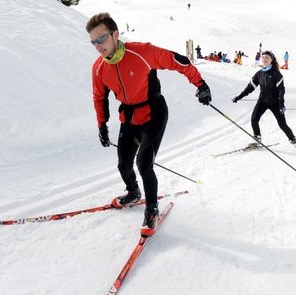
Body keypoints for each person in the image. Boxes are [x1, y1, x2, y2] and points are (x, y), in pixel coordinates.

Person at [86, 12, 211, 237]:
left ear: (115, 35)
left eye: (101, 39)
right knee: (124, 164)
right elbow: (99, 97)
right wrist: (102, 125)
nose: (97, 46)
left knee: (144, 162)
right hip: (129, 117)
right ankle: (133, 192)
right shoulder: (98, 68)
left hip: (154, 113)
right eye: (93, 41)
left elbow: (178, 61)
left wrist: (201, 85)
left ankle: (151, 209)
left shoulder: (141, 52)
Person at [231, 51, 296, 149]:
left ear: (271, 60)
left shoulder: (276, 73)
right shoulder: (259, 74)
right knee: (254, 119)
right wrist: (239, 97)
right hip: (263, 101)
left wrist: (281, 103)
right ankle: (257, 139)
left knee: (282, 124)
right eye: (263, 57)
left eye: (267, 58)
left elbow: (281, 90)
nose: (265, 59)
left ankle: (293, 140)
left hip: (275, 103)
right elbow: (250, 87)